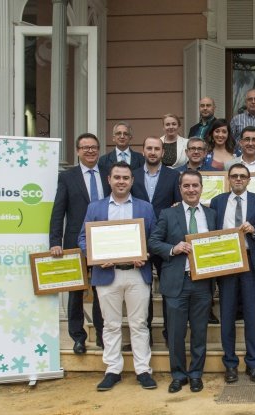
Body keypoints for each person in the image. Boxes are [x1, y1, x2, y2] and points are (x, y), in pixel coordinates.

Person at [78, 161, 157, 392]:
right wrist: (94, 256)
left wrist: (147, 255)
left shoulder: (145, 208)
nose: (121, 181)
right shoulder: (96, 208)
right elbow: (82, 239)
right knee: (110, 325)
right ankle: (113, 369)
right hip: (106, 274)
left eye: (125, 178)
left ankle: (143, 370)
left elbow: (153, 238)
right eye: (117, 177)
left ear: (132, 181)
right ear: (109, 180)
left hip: (136, 274)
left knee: (139, 324)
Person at [148, 170, 217, 394]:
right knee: (176, 334)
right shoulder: (168, 214)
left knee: (199, 332)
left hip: (202, 283)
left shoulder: (212, 214)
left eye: (195, 185)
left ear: (201, 188)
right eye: (186, 186)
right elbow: (153, 242)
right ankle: (178, 375)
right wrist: (173, 248)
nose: (191, 190)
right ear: (180, 189)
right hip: (176, 282)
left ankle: (196, 374)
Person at [210, 164, 255, 384]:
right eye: (234, 176)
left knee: (250, 316)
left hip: (250, 263)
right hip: (226, 264)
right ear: (228, 179)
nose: (238, 179)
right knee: (227, 316)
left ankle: (253, 364)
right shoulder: (218, 201)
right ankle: (230, 364)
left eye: (242, 176)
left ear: (248, 180)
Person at [49, 133, 110, 354]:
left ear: (99, 150)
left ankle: (103, 336)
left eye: (94, 147)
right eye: (85, 148)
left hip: (104, 240)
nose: (90, 151)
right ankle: (78, 337)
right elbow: (59, 211)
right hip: (76, 241)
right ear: (77, 151)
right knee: (76, 290)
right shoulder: (68, 177)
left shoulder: (108, 174)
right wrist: (55, 241)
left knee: (101, 287)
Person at [131, 136, 181, 347]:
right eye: (149, 148)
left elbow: (178, 205)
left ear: (163, 152)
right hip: (136, 239)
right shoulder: (132, 176)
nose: (153, 152)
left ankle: (170, 334)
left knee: (168, 289)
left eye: (157, 149)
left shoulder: (173, 175)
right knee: (143, 290)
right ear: (143, 151)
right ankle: (146, 336)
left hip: (164, 241)